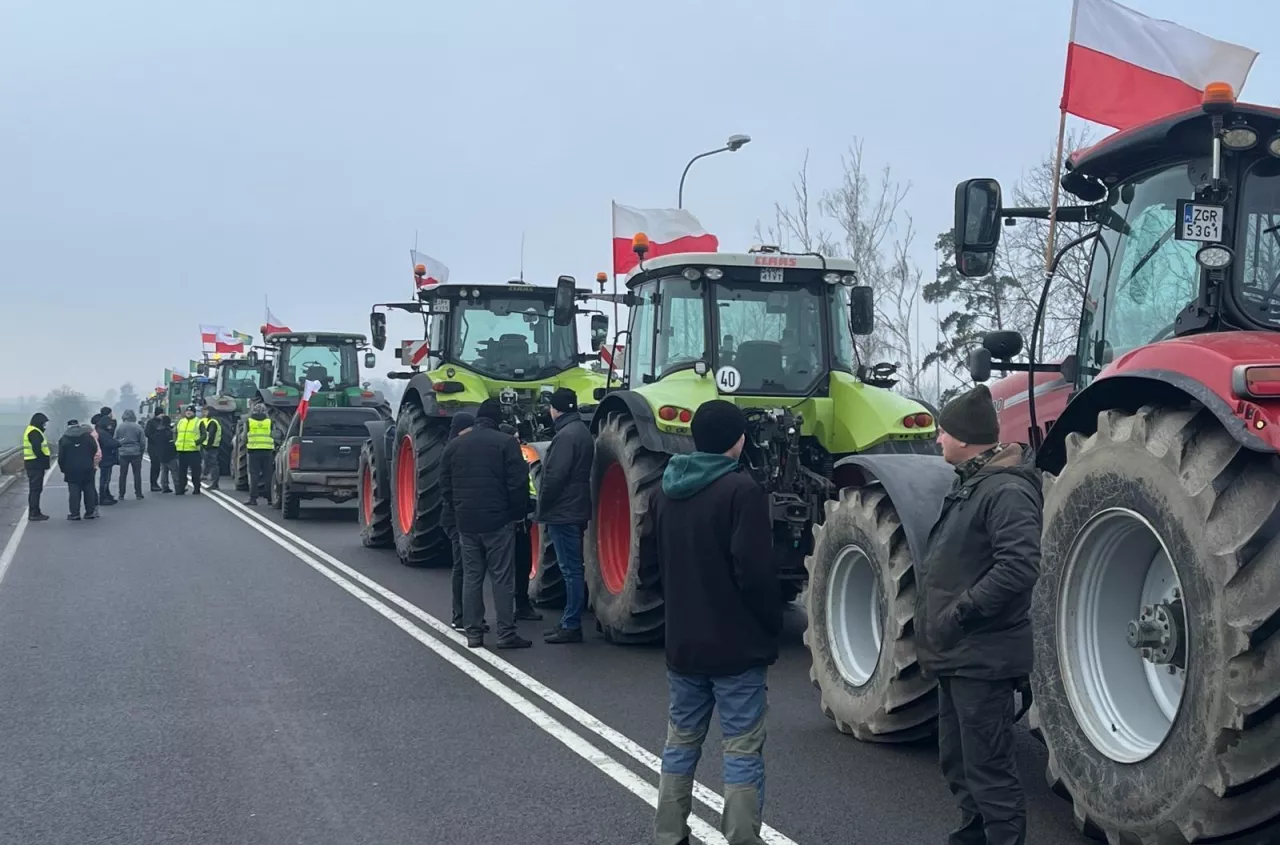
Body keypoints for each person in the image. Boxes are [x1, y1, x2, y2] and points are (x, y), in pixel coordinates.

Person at [644, 400, 778, 845]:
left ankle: (667, 834)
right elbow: (755, 574)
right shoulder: (743, 492)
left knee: (681, 742)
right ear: (738, 441)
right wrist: (769, 627)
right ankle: (741, 838)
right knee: (740, 748)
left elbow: (649, 570)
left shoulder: (662, 491)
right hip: (737, 647)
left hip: (683, 645)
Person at [919, 384, 1041, 845]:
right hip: (959, 653)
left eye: (943, 432)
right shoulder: (973, 484)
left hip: (982, 653)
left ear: (966, 438)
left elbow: (1020, 566)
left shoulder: (1005, 491)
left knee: (990, 770)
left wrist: (962, 613)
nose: (938, 440)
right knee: (958, 761)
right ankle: (971, 838)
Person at [440, 398, 531, 650]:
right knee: (502, 578)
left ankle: (474, 633)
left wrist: (458, 509)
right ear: (497, 419)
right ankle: (505, 633)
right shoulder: (506, 443)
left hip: (466, 522)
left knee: (472, 577)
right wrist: (516, 513)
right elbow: (517, 483)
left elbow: (445, 485)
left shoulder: (455, 445)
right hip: (498, 521)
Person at [536, 388, 593, 644]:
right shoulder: (581, 432)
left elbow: (554, 477)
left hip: (562, 511)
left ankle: (571, 624)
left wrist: (542, 506)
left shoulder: (565, 437)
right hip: (576, 508)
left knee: (570, 570)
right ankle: (569, 622)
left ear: (555, 409)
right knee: (573, 568)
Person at [444, 412, 487, 631]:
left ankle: (468, 615)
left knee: (467, 568)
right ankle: (461, 615)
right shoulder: (457, 449)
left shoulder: (453, 447)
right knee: (464, 568)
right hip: (457, 518)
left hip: (457, 516)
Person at [500, 422, 542, 623]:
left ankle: (517, 606)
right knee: (513, 565)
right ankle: (512, 610)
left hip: (516, 519)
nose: (519, 441)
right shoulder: (512, 459)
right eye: (515, 438)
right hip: (515, 520)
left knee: (519, 564)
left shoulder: (510, 457)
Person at [58, 420, 101, 520]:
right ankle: (90, 512)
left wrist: (63, 468)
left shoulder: (64, 439)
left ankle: (75, 513)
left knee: (74, 491)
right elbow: (94, 448)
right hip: (87, 467)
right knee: (89, 489)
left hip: (71, 469)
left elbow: (61, 457)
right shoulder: (87, 437)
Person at [244, 403, 275, 505]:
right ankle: (270, 499)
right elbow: (274, 435)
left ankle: (253, 499)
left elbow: (244, 437)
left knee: (254, 475)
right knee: (268, 475)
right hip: (267, 451)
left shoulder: (249, 421)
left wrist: (247, 445)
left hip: (253, 451)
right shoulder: (269, 422)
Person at [22, 412, 51, 521]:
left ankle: (35, 511)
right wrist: (44, 458)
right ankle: (34, 513)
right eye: (44, 423)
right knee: (35, 489)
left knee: (35, 489)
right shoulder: (34, 432)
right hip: (35, 464)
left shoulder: (32, 430)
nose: (45, 425)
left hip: (32, 464)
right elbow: (37, 449)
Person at [114, 409, 146, 500]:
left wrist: (118, 450)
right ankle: (138, 494)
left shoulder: (119, 427)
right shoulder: (138, 427)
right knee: (137, 474)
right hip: (135, 452)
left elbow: (115, 440)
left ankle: (121, 494)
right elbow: (143, 442)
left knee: (123, 474)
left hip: (123, 453)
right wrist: (141, 452)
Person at [173, 406, 203, 495]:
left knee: (195, 471)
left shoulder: (198, 422)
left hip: (193, 451)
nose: (188, 413)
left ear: (194, 413)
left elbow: (204, 435)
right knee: (181, 472)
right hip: (182, 450)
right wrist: (176, 442)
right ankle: (181, 488)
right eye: (187, 411)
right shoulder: (181, 422)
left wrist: (196, 443)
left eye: (190, 411)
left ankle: (197, 488)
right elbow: (175, 433)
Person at [94, 410, 120, 506]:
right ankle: (103, 497)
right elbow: (111, 443)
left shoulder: (99, 430)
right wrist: (119, 443)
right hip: (105, 457)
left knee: (105, 478)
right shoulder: (103, 433)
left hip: (104, 457)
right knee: (105, 478)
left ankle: (106, 495)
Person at [199, 405, 223, 491]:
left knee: (213, 465)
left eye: (206, 411)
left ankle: (215, 483)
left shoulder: (213, 422)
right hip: (207, 445)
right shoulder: (206, 420)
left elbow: (211, 435)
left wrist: (208, 445)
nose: (204, 413)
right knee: (209, 463)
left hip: (211, 446)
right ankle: (206, 476)